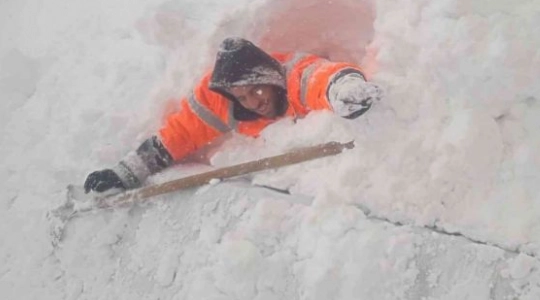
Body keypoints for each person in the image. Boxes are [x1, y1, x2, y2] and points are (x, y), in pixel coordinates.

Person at [83, 37, 382, 193]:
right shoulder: (221, 102)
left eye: (257, 90)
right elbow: (180, 134)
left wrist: (345, 89)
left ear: (270, 77)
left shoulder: (294, 77)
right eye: (242, 97)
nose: (253, 103)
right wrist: (127, 172)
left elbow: (322, 78)